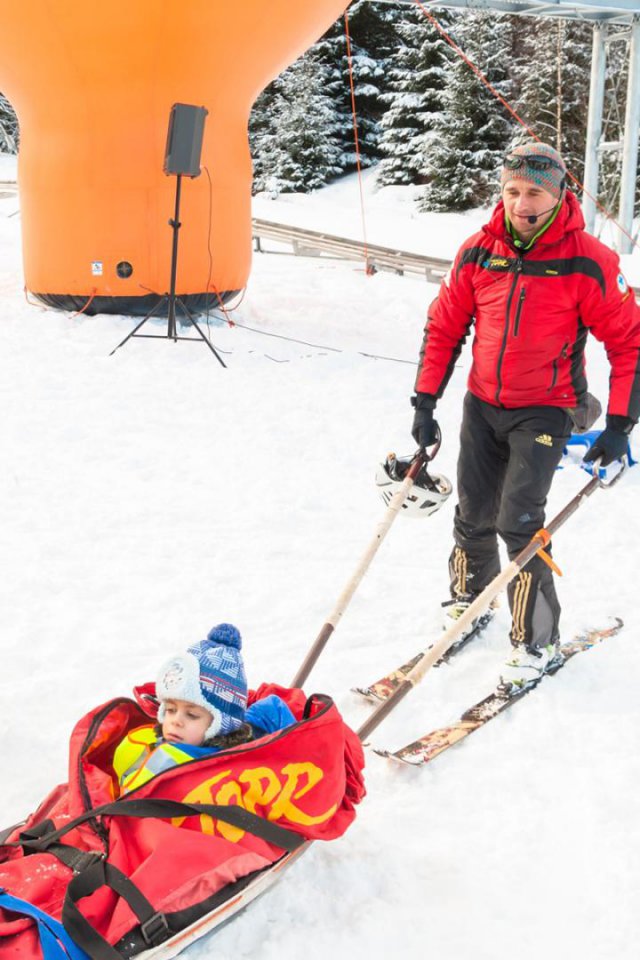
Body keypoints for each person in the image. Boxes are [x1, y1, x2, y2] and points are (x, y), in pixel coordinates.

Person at [411, 141, 640, 688]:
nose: (521, 202)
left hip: (547, 408)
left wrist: (618, 424)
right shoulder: (478, 251)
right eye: (512, 190)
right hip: (483, 403)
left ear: (559, 194)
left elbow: (630, 341)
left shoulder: (588, 259)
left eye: (534, 191)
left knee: (519, 521)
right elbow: (444, 326)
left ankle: (536, 640)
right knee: (473, 512)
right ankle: (469, 601)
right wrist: (424, 402)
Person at [113, 622, 295, 793]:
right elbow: (273, 708)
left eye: (191, 714)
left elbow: (273, 709)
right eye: (170, 709)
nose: (176, 721)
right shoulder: (150, 749)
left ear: (223, 724)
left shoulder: (171, 766)